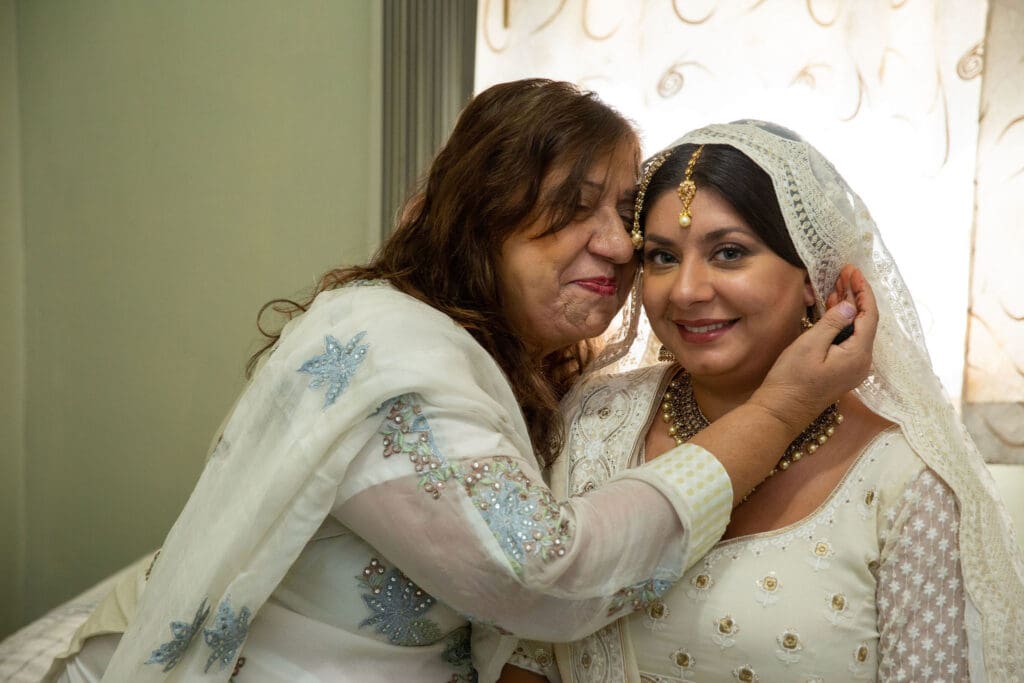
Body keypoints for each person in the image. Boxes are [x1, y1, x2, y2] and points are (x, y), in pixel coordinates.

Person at [14, 84, 873, 683]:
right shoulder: (393, 348)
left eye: (621, 216)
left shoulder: (531, 368)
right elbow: (539, 575)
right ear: (483, 212)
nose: (617, 247)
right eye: (575, 206)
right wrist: (779, 408)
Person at [502, 120, 1024, 682]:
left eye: (728, 253)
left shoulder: (906, 481)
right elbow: (528, 650)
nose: (686, 291)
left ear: (812, 275)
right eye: (661, 257)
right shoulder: (595, 419)